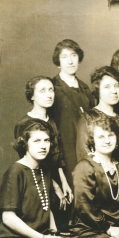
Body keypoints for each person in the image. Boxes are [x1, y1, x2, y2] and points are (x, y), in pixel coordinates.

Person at [14, 76, 73, 212]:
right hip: (36, 179)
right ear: (32, 96)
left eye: (51, 90)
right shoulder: (23, 124)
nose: (49, 95)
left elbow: (58, 156)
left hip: (55, 177)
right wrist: (55, 186)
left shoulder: (51, 121)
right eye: (42, 91)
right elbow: (29, 163)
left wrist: (64, 182)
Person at [50, 39, 95, 188]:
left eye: (73, 55)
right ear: (58, 61)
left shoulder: (85, 89)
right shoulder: (53, 88)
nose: (70, 61)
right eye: (64, 57)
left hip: (84, 149)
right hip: (63, 151)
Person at [75, 66, 119, 164]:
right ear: (97, 90)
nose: (114, 91)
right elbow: (83, 156)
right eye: (107, 87)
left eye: (116, 85)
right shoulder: (87, 119)